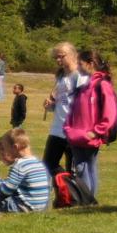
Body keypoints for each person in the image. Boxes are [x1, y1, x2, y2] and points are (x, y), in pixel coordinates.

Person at [63, 50, 117, 198]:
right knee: (82, 167)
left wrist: (96, 132)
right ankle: (87, 199)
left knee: (86, 167)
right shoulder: (84, 86)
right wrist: (68, 128)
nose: (78, 67)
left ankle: (88, 200)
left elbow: (110, 113)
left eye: (80, 63)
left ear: (91, 64)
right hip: (76, 135)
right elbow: (72, 110)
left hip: (90, 135)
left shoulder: (102, 85)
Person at [42, 42, 83, 175]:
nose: (58, 60)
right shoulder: (61, 76)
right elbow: (62, 101)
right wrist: (51, 105)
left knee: (73, 171)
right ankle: (64, 187)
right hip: (57, 129)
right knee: (48, 164)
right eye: (56, 57)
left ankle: (72, 187)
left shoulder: (80, 76)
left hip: (74, 130)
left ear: (73, 55)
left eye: (61, 56)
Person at [0, 128, 50, 213]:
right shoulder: (38, 163)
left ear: (15, 147)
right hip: (40, 207)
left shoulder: (20, 165)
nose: (6, 151)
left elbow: (5, 191)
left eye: (6, 148)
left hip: (23, 206)